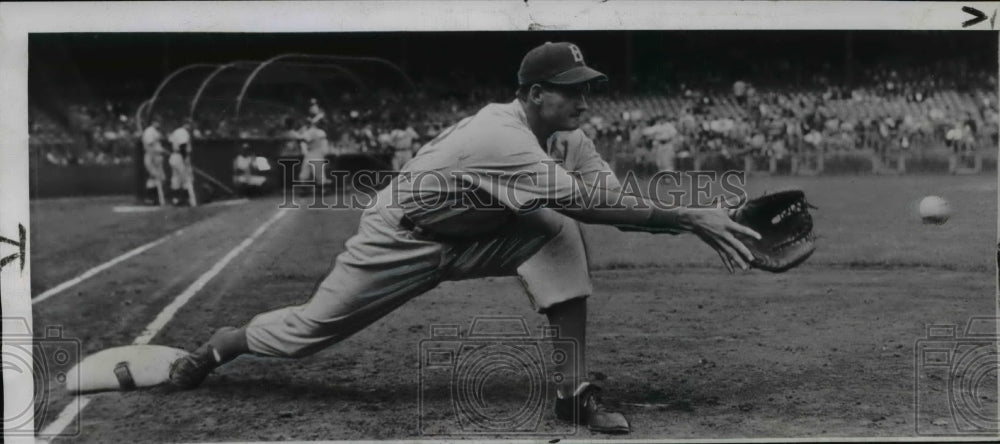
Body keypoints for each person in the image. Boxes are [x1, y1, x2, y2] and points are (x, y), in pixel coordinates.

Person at [169, 42, 759, 434]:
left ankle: (572, 392)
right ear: (533, 94)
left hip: (482, 236)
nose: (585, 98)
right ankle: (224, 344)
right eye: (571, 87)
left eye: (588, 87)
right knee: (309, 331)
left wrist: (702, 217)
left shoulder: (572, 141)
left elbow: (610, 203)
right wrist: (688, 219)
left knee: (558, 234)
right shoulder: (499, 134)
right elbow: (590, 202)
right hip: (403, 238)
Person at [168, 119, 196, 206]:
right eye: (189, 124)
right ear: (185, 124)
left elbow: (171, 141)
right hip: (180, 157)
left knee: (176, 179)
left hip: (174, 156)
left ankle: (176, 200)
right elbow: (183, 145)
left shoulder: (176, 131)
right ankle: (189, 200)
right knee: (186, 179)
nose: (190, 126)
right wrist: (185, 159)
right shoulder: (183, 131)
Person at [297, 119, 330, 190]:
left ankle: (305, 190)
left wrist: (305, 152)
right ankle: (320, 190)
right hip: (316, 154)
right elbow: (324, 145)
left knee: (305, 174)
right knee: (318, 174)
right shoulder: (320, 132)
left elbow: (303, 144)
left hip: (312, 154)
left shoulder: (307, 132)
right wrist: (324, 153)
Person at [141, 118, 168, 205]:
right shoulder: (149, 131)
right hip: (152, 156)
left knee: (156, 178)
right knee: (157, 177)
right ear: (153, 122)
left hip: (156, 156)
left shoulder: (155, 131)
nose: (159, 124)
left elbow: (156, 145)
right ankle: (155, 199)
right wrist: (154, 158)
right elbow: (150, 145)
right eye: (157, 122)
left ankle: (153, 199)